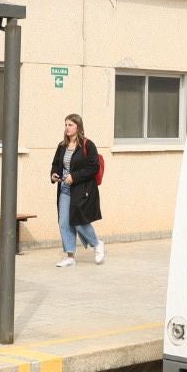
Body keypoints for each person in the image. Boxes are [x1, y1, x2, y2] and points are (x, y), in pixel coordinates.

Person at [49, 113, 104, 268]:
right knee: (64, 222)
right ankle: (70, 256)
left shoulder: (87, 145)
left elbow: (94, 167)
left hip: (81, 189)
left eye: (70, 125)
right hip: (64, 189)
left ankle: (97, 243)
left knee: (79, 221)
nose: (67, 128)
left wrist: (74, 176)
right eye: (66, 124)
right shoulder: (62, 146)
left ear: (78, 127)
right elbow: (55, 163)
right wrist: (54, 174)